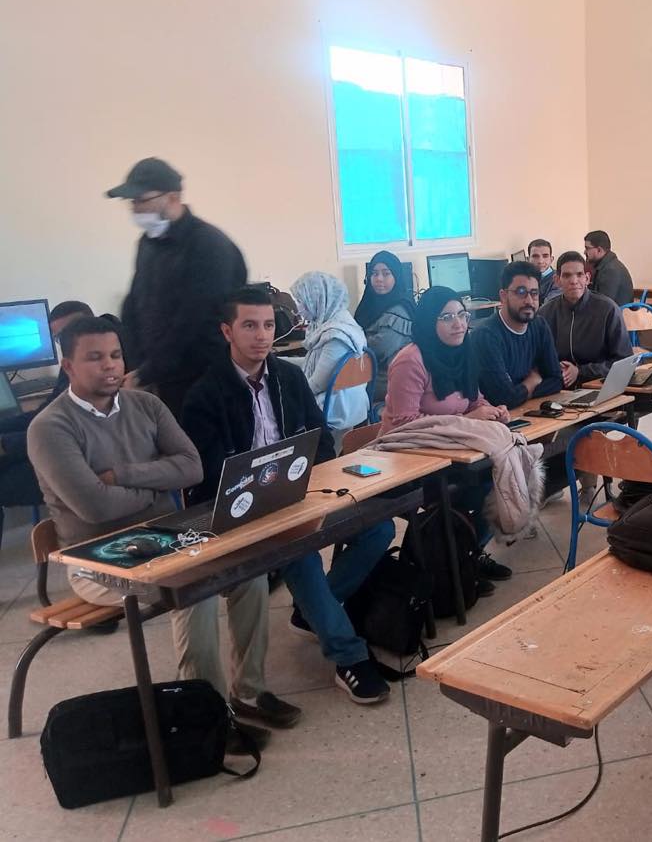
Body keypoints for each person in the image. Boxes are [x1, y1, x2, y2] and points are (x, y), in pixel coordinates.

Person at [26, 316, 298, 738]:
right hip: (98, 560)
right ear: (68, 367)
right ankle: (208, 718)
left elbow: (191, 468)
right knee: (194, 591)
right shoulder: (50, 427)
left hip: (167, 538)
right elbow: (95, 508)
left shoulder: (146, 405)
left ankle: (249, 691)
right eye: (95, 358)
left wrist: (120, 476)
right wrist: (155, 488)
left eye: (116, 355)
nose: (110, 365)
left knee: (250, 569)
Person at [181, 287, 394, 704]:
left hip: (299, 494)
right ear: (227, 331)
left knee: (379, 526)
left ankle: (312, 611)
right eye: (249, 325)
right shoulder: (205, 394)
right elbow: (207, 479)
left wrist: (309, 488)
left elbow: (322, 444)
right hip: (245, 512)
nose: (262, 335)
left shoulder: (289, 378)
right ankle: (348, 655)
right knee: (300, 551)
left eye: (268, 325)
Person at [382, 286, 512, 590]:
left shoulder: (463, 351)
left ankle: (467, 557)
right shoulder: (410, 361)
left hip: (451, 453)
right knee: (477, 489)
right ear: (430, 321)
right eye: (447, 317)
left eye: (462, 315)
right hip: (406, 460)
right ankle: (453, 566)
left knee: (500, 479)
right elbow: (404, 425)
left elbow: (474, 400)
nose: (459, 324)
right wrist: (468, 421)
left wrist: (493, 411)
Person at [109, 157, 247, 418]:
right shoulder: (148, 244)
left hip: (202, 382)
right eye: (132, 202)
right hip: (158, 379)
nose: (135, 209)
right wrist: (136, 367)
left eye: (142, 200)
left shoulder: (209, 246)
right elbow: (134, 305)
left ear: (172, 197)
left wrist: (148, 372)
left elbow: (194, 321)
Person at [0, 302, 94, 522]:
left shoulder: (97, 367)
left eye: (70, 331)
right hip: (56, 446)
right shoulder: (72, 363)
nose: (65, 342)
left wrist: (6, 445)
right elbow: (46, 413)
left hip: (80, 459)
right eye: (59, 337)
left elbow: (74, 428)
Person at [289, 271, 369, 441]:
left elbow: (317, 384)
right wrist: (281, 363)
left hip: (335, 408)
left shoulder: (337, 337)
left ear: (318, 299)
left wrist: (287, 393)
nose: (298, 308)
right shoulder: (341, 324)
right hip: (347, 402)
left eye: (301, 301)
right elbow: (316, 364)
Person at [472, 261, 562, 408]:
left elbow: (556, 380)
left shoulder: (539, 325)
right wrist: (532, 381)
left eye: (534, 293)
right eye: (521, 292)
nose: (529, 301)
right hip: (498, 418)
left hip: (529, 411)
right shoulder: (486, 336)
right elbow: (503, 399)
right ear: (503, 296)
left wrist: (519, 392)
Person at [536, 252, 633, 389]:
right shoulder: (545, 313)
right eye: (567, 275)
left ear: (587, 278)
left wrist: (580, 371)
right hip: (558, 387)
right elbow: (536, 358)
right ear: (557, 280)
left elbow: (624, 362)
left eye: (579, 275)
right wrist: (554, 368)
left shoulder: (608, 310)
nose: (574, 281)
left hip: (599, 387)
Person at [353, 250, 417, 401]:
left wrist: (351, 342)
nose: (379, 279)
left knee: (339, 389)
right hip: (367, 373)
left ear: (396, 277)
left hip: (387, 380)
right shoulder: (369, 305)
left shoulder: (400, 310)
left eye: (386, 273)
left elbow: (379, 349)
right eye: (374, 274)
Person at [583, 230, 635, 308]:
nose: (584, 252)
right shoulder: (607, 265)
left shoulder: (610, 270)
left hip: (617, 314)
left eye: (587, 248)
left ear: (599, 250)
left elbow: (603, 305)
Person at [528, 238, 561, 303]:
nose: (540, 261)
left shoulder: (558, 280)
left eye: (545, 256)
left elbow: (548, 306)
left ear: (551, 259)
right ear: (528, 259)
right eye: (535, 256)